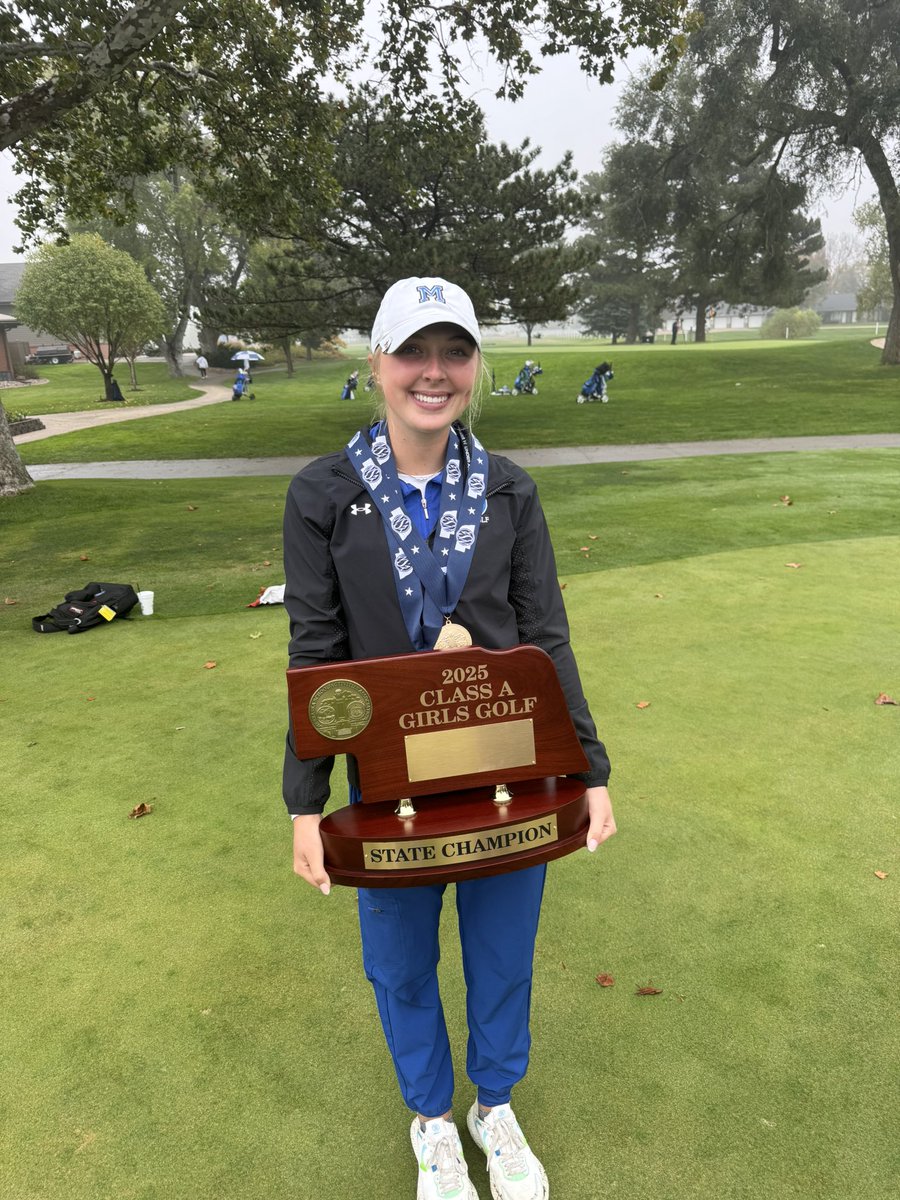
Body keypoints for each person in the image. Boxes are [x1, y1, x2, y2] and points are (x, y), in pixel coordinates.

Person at [283, 276, 616, 1200]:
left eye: (455, 352)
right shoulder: (323, 494)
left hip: (512, 775)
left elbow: (546, 638)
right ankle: (432, 1120)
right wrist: (304, 805)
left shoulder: (508, 490)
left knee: (504, 955)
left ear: (476, 365)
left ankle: (492, 1108)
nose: (435, 373)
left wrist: (592, 772)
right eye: (413, 353)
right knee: (399, 965)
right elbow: (317, 660)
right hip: (387, 788)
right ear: (377, 363)